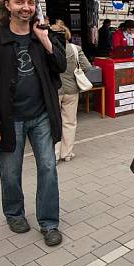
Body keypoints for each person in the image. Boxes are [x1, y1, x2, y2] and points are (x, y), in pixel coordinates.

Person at [0, 0, 67, 246]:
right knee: (10, 172)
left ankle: (49, 223)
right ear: (7, 5)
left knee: (49, 167)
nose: (26, 7)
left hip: (41, 116)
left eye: (30, 2)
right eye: (20, 2)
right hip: (9, 119)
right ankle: (14, 213)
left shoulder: (43, 35)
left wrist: (45, 39)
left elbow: (60, 65)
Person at [51, 20, 91, 163]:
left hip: (53, 91)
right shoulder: (75, 49)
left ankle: (54, 154)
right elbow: (87, 67)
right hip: (72, 90)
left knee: (53, 122)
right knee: (69, 122)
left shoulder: (47, 48)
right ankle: (67, 153)